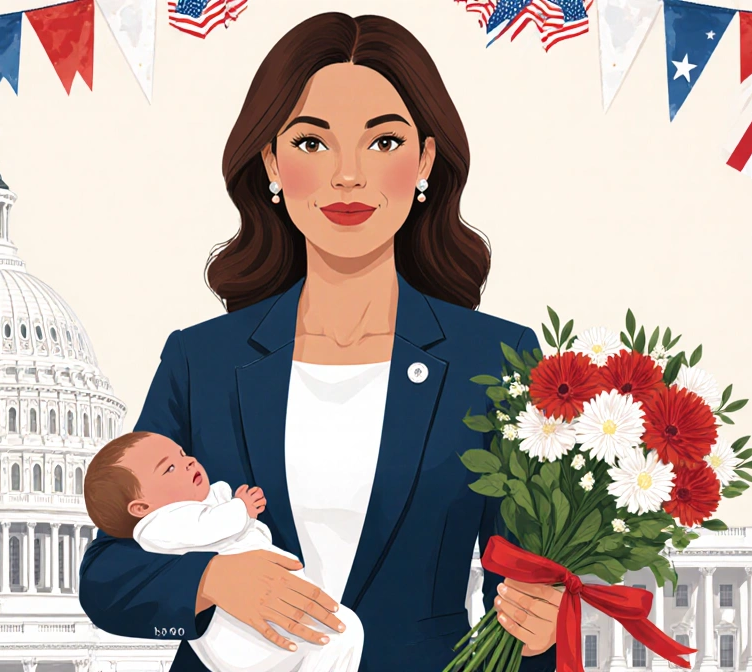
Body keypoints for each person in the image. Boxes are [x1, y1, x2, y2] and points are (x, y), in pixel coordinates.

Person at [79, 12, 561, 671]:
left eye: (383, 142)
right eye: (312, 143)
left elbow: (528, 584)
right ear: (271, 162)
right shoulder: (202, 362)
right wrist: (212, 582)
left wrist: (542, 630)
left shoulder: (495, 360)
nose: (348, 176)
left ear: (425, 159)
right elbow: (108, 573)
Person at [83, 431, 364, 672]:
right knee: (342, 633)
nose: (189, 461)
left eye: (183, 454)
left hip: (265, 617)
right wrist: (242, 508)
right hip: (240, 629)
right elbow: (208, 526)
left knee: (341, 636)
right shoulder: (161, 523)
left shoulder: (199, 503)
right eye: (170, 468)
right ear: (141, 508)